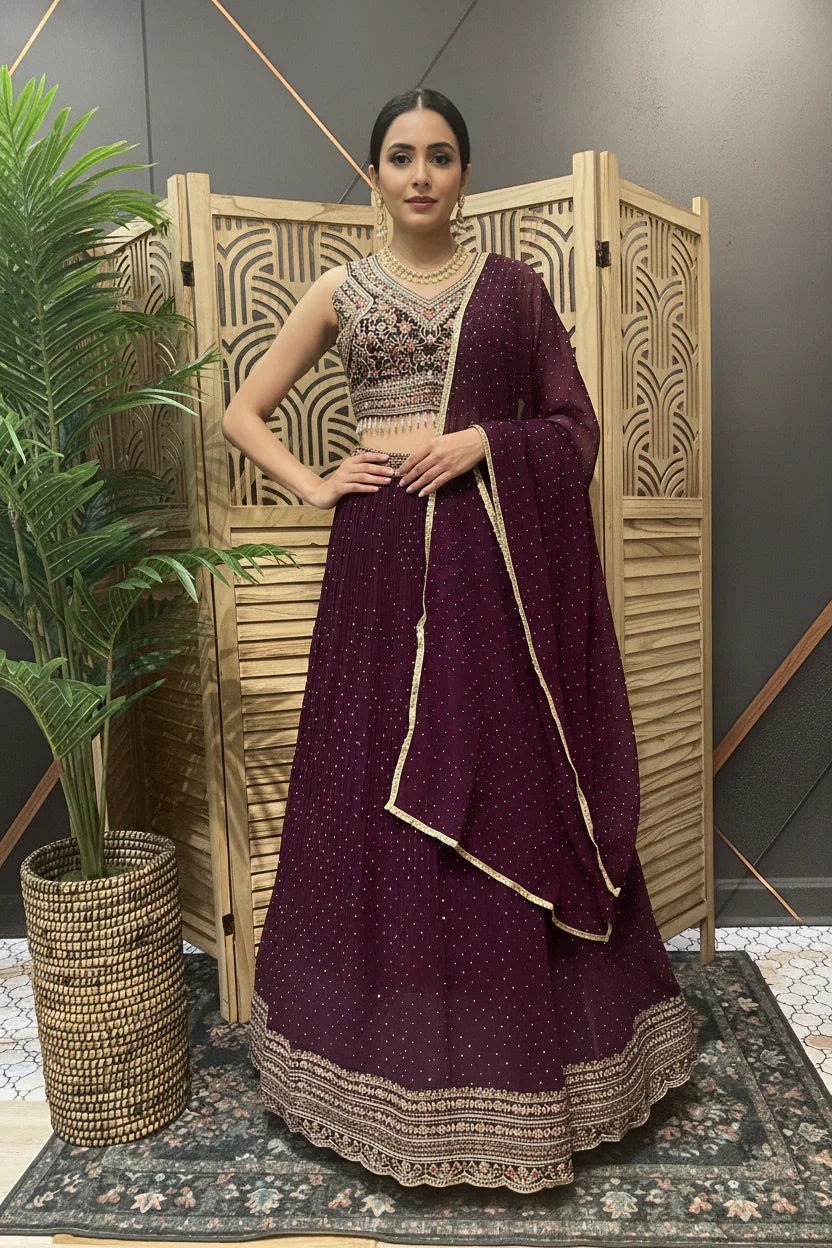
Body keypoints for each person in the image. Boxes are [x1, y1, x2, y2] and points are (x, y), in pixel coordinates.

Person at [222, 87, 699, 1194]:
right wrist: (313, 479)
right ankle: (372, 1056)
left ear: (465, 173)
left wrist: (485, 439)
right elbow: (245, 410)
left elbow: (573, 426)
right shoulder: (338, 289)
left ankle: (547, 1068)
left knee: (503, 778)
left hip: (491, 577)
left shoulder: (514, 292)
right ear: (375, 173)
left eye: (440, 156)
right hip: (378, 567)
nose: (421, 174)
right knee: (369, 784)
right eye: (400, 157)